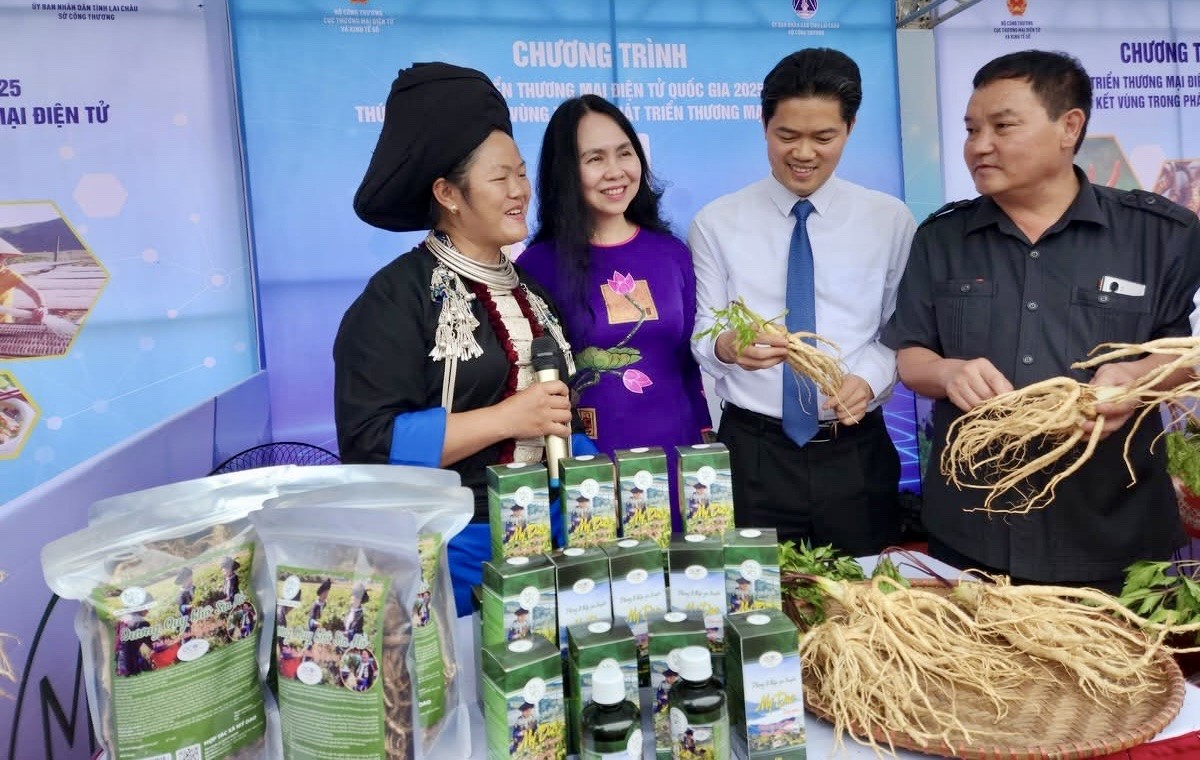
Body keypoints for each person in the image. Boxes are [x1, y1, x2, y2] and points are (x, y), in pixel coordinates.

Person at [882, 50, 1200, 592]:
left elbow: (1180, 354)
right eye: (971, 129)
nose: (979, 145)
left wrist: (1134, 376)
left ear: (1068, 127)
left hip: (1108, 534)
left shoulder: (1158, 235)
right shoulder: (942, 238)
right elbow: (911, 355)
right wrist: (949, 373)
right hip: (974, 528)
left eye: (1002, 126)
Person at [335, 62, 594, 616]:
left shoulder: (534, 292)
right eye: (501, 179)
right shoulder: (395, 299)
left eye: (521, 174)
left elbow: (556, 420)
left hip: (559, 540)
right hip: (457, 552)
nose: (520, 191)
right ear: (448, 193)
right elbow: (370, 444)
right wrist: (508, 419)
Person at [690, 48, 916, 555]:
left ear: (851, 128)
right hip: (753, 451)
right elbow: (704, 329)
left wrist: (871, 380)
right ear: (764, 124)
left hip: (855, 448)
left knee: (864, 607)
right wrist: (727, 345)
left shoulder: (889, 219)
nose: (804, 153)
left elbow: (898, 329)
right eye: (787, 136)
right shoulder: (716, 222)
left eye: (823, 137)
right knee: (757, 604)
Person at [519, 95, 711, 530]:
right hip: (591, 466)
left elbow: (688, 364)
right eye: (594, 158)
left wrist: (703, 446)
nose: (615, 170)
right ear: (567, 172)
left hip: (676, 455)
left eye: (625, 152)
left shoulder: (671, 253)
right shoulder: (538, 266)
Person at [0, 238, 47, 325]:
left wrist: (42, 307)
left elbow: (32, 292)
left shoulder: (10, 275)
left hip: (3, 325)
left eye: (1, 256)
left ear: (4, 257)